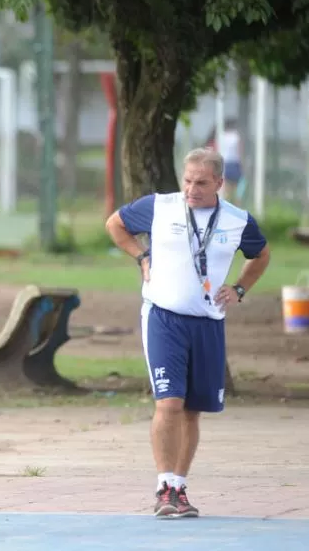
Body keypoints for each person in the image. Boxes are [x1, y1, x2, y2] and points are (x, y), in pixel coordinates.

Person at [105, 147, 271, 519]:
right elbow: (115, 224)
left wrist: (240, 289)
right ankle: (163, 487)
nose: (192, 189)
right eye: (187, 180)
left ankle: (179, 488)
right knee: (169, 403)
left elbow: (260, 256)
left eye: (201, 183)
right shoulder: (160, 207)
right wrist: (141, 256)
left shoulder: (237, 220)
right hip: (164, 317)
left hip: (208, 322)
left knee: (193, 411)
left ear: (219, 183)